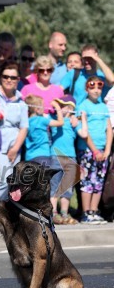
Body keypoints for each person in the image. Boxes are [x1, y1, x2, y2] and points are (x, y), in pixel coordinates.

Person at [76, 76, 113, 224]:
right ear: (87, 89)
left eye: (99, 87)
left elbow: (109, 129)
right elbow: (85, 134)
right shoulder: (83, 106)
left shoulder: (103, 107)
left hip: (103, 151)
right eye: (92, 87)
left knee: (99, 181)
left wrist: (107, 150)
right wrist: (95, 150)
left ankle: (93, 211)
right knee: (87, 181)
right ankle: (85, 213)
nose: (96, 90)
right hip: (87, 151)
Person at [49, 95, 87, 225]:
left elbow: (84, 134)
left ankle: (64, 213)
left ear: (71, 108)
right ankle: (53, 213)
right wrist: (55, 106)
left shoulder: (73, 121)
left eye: (63, 105)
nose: (60, 107)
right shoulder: (54, 119)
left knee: (67, 188)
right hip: (55, 157)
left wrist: (83, 119)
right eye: (60, 105)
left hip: (71, 158)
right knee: (54, 186)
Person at [0, 61, 28, 200]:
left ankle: (1, 213)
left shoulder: (21, 102)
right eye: (5, 76)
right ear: (0, 77)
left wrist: (15, 149)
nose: (9, 80)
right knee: (3, 180)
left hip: (14, 148)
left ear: (18, 80)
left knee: (12, 183)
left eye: (13, 77)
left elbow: (24, 127)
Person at [24, 94, 63, 165]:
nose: (44, 108)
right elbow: (60, 122)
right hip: (43, 156)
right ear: (37, 110)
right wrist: (57, 107)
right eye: (42, 106)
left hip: (29, 157)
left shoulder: (26, 122)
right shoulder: (41, 120)